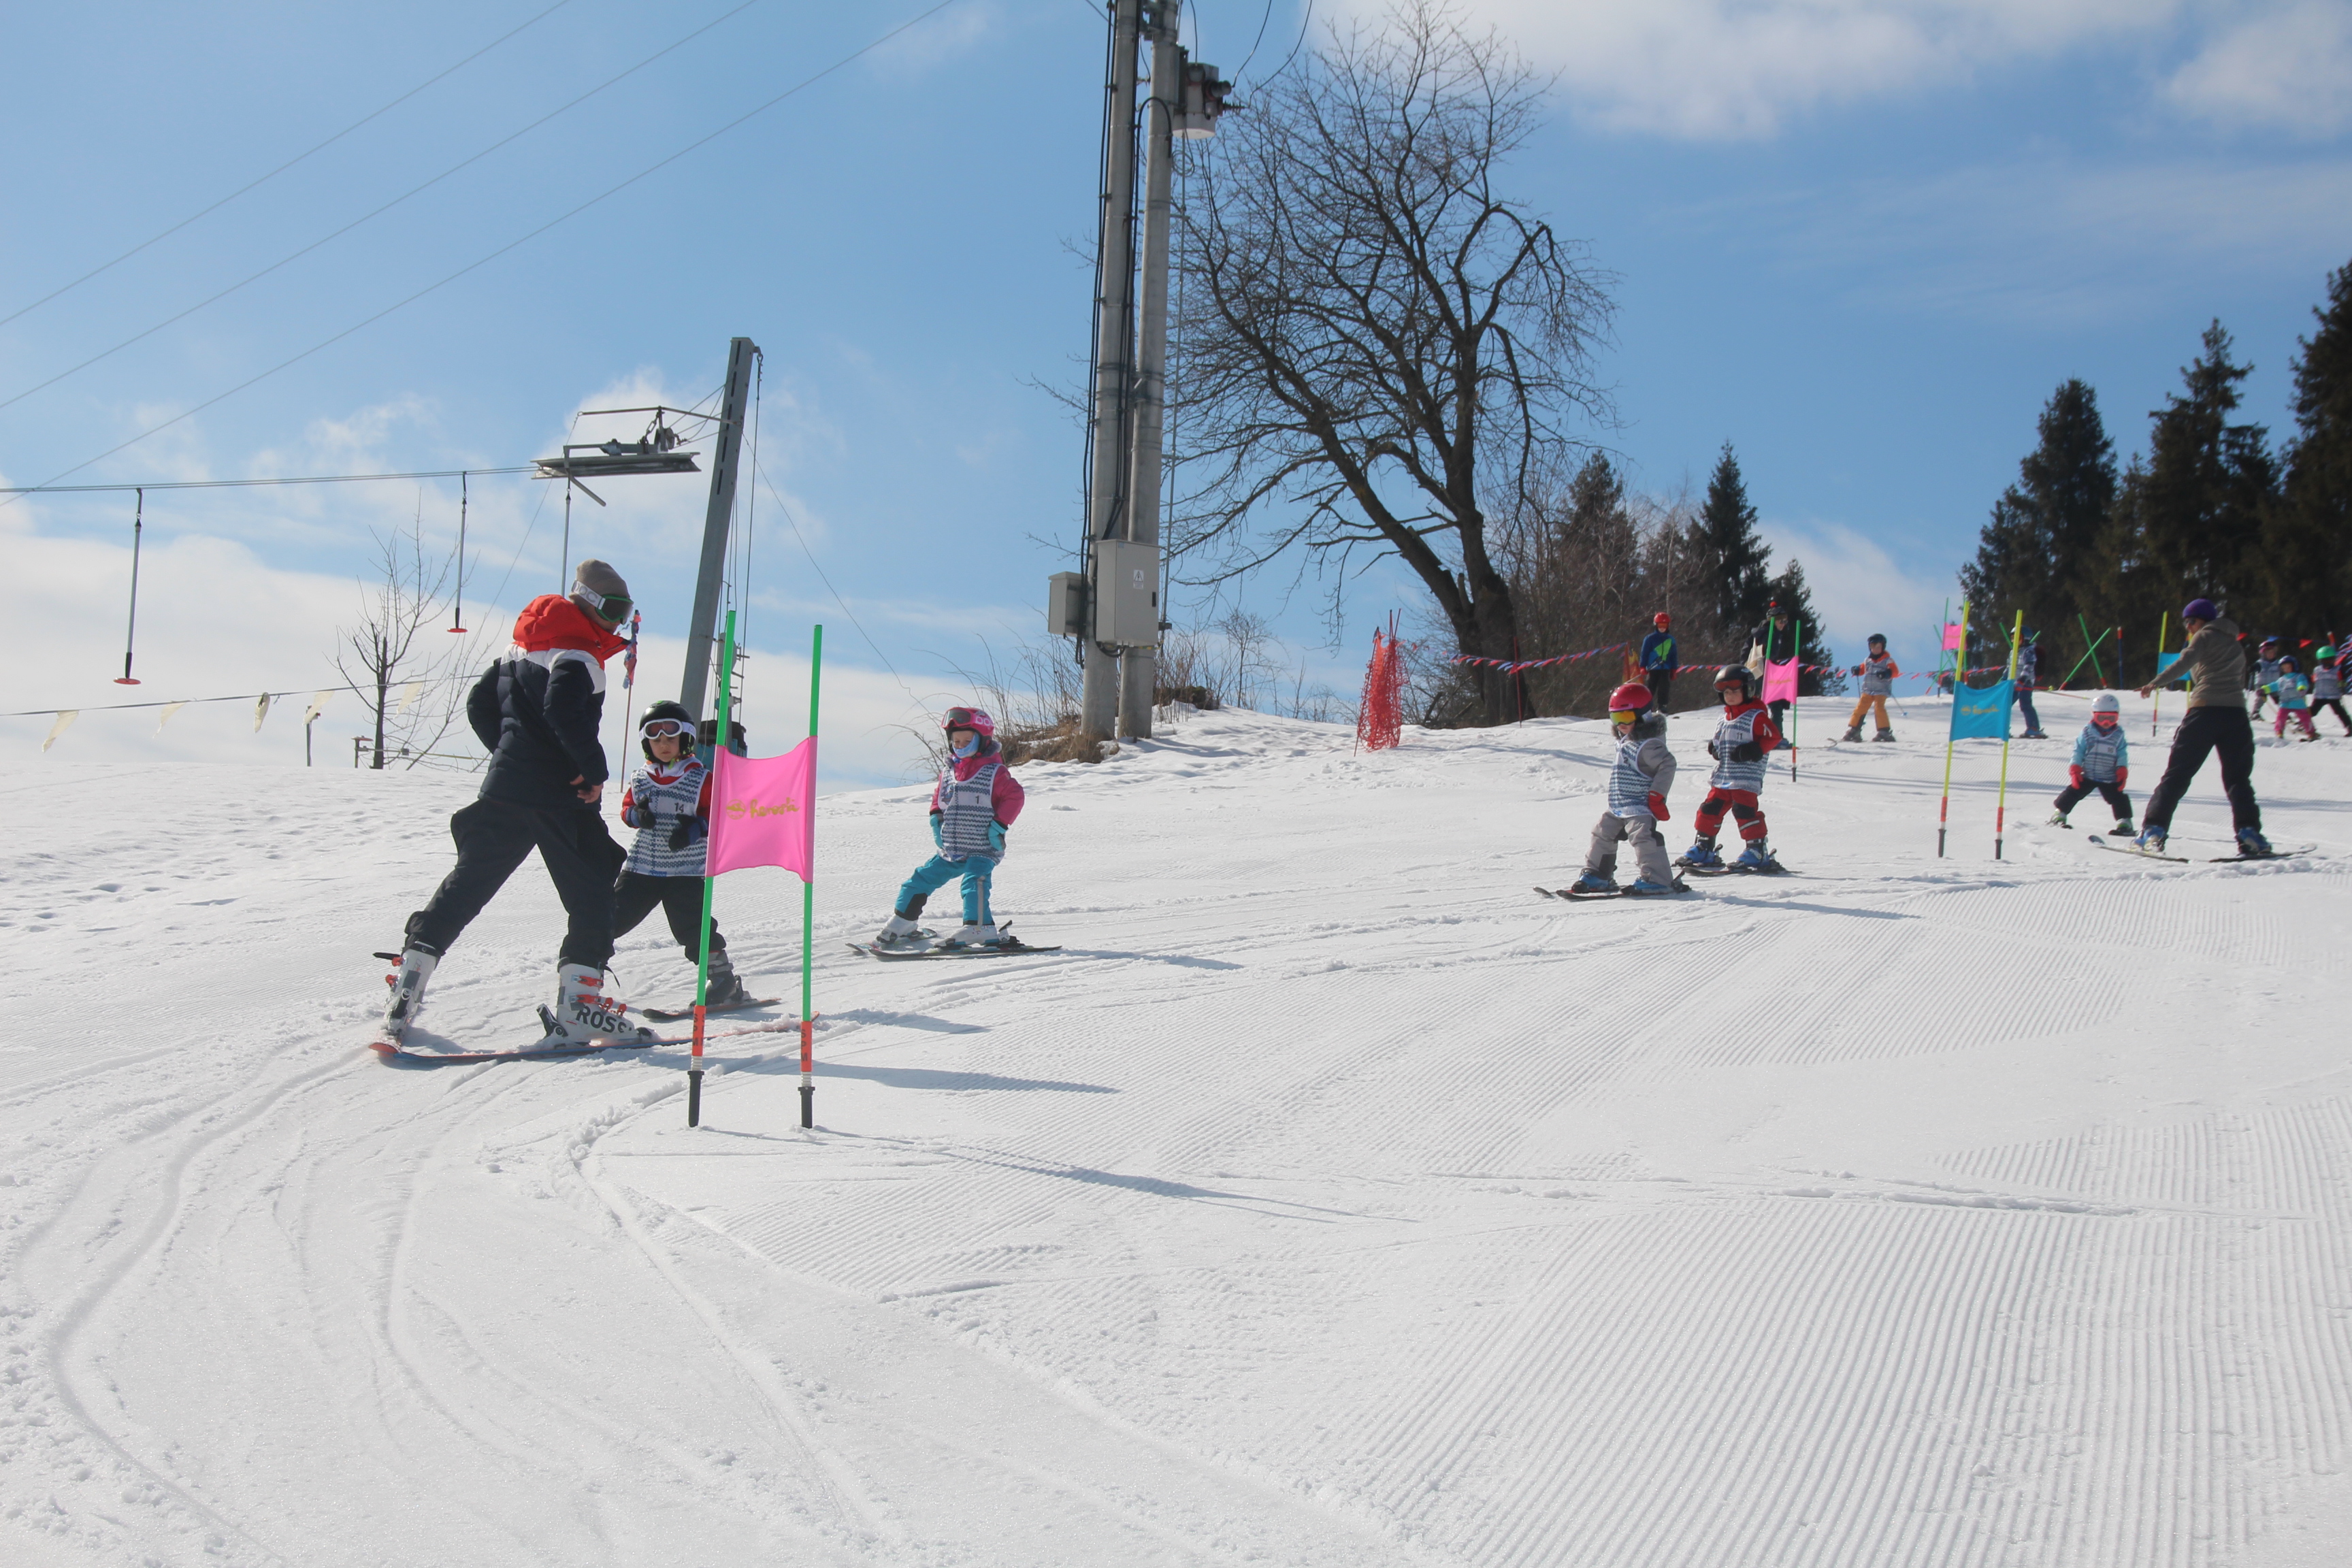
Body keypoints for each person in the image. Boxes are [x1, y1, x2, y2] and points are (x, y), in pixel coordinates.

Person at [382, 560, 649, 1046]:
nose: (618, 622)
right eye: (613, 609)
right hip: (560, 796)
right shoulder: (579, 653)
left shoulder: (520, 648)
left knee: (468, 883)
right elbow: (561, 709)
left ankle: (408, 985)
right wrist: (591, 771)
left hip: (507, 790)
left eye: (626, 612)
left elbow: (480, 705)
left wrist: (512, 756)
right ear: (588, 602)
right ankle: (580, 1008)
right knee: (593, 889)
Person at [612, 700, 753, 1005]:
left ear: (685, 740)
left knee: (693, 926)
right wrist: (638, 816)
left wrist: (696, 828)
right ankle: (586, 976)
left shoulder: (701, 779)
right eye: (656, 740)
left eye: (670, 739)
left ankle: (723, 980)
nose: (663, 746)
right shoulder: (640, 778)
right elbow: (626, 810)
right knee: (611, 917)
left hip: (685, 870)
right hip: (642, 867)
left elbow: (721, 815)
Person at [872, 706, 1028, 949]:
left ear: (983, 740)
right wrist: (936, 818)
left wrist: (999, 825)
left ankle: (980, 928)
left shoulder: (994, 772)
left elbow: (1015, 796)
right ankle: (904, 922)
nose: (960, 745)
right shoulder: (948, 772)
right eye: (956, 741)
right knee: (919, 879)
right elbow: (939, 798)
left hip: (983, 846)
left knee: (974, 883)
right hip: (952, 847)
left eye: (967, 741)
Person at [2134, 597, 2270, 858]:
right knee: (2238, 779)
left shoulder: (2204, 636)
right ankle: (2250, 834)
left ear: (2204, 621)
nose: (2188, 627)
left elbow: (2184, 662)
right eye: (2186, 623)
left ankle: (2153, 831)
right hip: (2236, 716)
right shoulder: (2235, 644)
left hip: (2205, 712)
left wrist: (2156, 683)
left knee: (2177, 775)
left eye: (2191, 621)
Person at [1567, 682, 1680, 895]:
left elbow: (1668, 764)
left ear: (1643, 715)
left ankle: (1658, 879)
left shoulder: (1649, 745)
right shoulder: (1628, 741)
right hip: (1620, 806)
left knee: (1643, 838)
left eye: (1626, 717)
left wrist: (1657, 795)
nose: (1621, 724)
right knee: (1602, 833)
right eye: (1615, 718)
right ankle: (1599, 875)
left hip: (1640, 806)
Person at [1681, 665, 1783, 871]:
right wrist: (1715, 748)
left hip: (1746, 778)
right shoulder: (1724, 718)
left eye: (1735, 691)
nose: (1730, 696)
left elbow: (1774, 737)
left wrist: (1754, 749)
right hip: (1724, 777)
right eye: (1726, 693)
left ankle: (1756, 850)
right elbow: (1719, 739)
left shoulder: (1756, 717)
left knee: (1744, 810)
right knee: (1710, 808)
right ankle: (1704, 847)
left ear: (1748, 690)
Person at [2048, 692, 2132, 833]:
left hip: (2109, 776)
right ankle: (2059, 814)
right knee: (2073, 792)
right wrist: (2075, 767)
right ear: (2094, 715)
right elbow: (2079, 750)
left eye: (2111, 719)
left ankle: (2125, 822)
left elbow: (2122, 753)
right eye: (2102, 718)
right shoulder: (2088, 733)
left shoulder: (2118, 735)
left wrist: (2122, 769)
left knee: (2118, 797)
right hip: (2088, 774)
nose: (2106, 723)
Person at [1841, 634, 1900, 742]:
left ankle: (1884, 731)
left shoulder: (1888, 660)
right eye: (1873, 647)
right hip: (1868, 690)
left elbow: (1895, 672)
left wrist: (1887, 673)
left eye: (1878, 647)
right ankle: (1855, 729)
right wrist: (1857, 670)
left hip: (1881, 690)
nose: (1875, 649)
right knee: (1860, 708)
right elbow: (1862, 669)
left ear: (1883, 647)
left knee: (1879, 709)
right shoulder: (1868, 660)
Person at [1749, 603, 1796, 731]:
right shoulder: (1772, 634)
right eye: (1781, 621)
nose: (1784, 624)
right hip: (1764, 674)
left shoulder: (1759, 632)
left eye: (1786, 621)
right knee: (1776, 707)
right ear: (1773, 621)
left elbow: (1746, 652)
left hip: (1756, 673)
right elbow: (1769, 656)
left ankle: (1760, 733)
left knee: (1755, 705)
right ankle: (1775, 736)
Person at [2266, 653, 2319, 740]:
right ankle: (2279, 732)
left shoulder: (2299, 676)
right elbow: (2274, 685)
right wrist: (2265, 689)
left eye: (2288, 667)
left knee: (2305, 718)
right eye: (2284, 668)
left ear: (2294, 666)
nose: (2286, 670)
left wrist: (2301, 687)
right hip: (2285, 703)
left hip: (2298, 701)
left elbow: (2302, 682)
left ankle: (2311, 733)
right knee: (2281, 718)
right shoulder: (2282, 680)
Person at [1639, 612, 1677, 713]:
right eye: (1660, 625)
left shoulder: (1671, 639)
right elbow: (1644, 653)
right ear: (1656, 625)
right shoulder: (1650, 639)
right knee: (1651, 687)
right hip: (1653, 667)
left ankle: (1662, 706)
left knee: (1664, 686)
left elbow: (1674, 655)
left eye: (1664, 626)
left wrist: (1674, 669)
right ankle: (1647, 706)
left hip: (1665, 667)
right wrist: (1643, 666)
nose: (1662, 628)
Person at [2012, 630, 2047, 738]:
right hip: (2013, 683)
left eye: (2018, 638)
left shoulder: (2028, 651)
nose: (2014, 640)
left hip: (2025, 683)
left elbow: (2029, 666)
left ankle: (2033, 728)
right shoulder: (2014, 651)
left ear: (2025, 639)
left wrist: (2022, 679)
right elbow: (2010, 667)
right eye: (2012, 638)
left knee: (2025, 704)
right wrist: (2005, 679)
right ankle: (2001, 728)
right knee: (2005, 705)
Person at [2313, 644, 2352, 735]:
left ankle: (2350, 727)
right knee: (2312, 712)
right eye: (2324, 661)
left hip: (2333, 696)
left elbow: (2343, 679)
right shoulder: (2317, 670)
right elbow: (2313, 679)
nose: (2328, 663)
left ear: (2334, 660)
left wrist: (2342, 684)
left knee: (2340, 712)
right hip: (2320, 696)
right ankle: (2304, 725)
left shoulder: (2338, 670)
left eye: (2330, 660)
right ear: (2320, 661)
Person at [2249, 635, 2284, 720]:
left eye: (2272, 653)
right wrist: (2252, 669)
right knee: (2261, 699)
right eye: (2268, 653)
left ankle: (2284, 713)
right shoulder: (2260, 663)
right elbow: (2253, 668)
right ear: (2263, 654)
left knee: (2279, 699)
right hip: (2262, 685)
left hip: (2274, 685)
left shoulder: (2278, 663)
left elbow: (2284, 670)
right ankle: (2256, 712)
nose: (2271, 655)